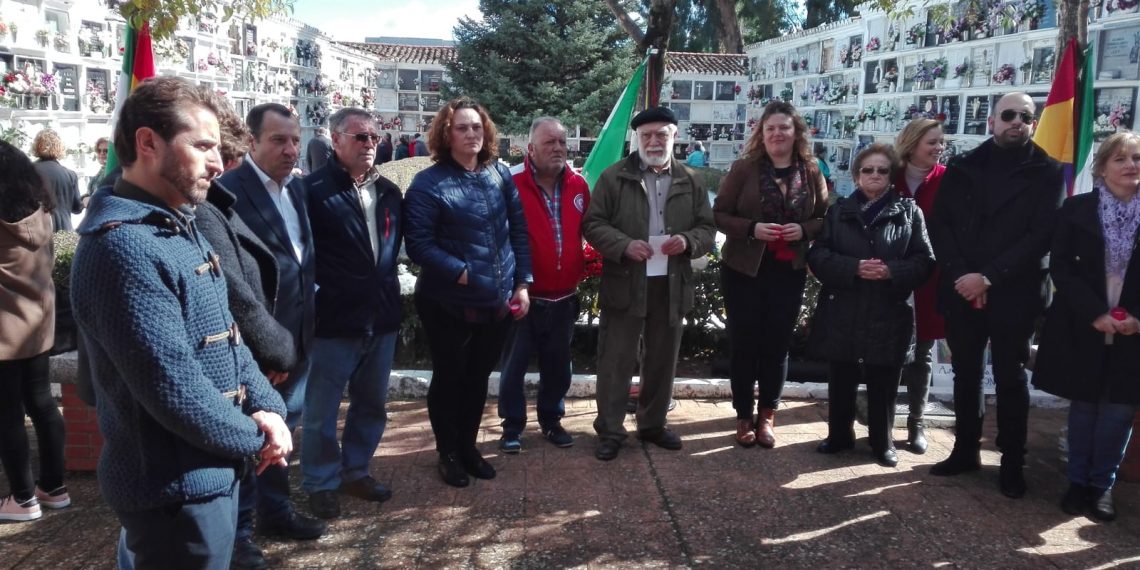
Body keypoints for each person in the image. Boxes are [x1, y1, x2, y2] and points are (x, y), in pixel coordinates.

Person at [70, 76, 290, 567]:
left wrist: (268, 406)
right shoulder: (122, 246)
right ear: (148, 142)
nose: (218, 163)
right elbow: (174, 389)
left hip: (208, 470)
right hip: (171, 490)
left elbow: (229, 341)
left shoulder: (175, 222)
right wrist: (259, 437)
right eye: (203, 146)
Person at [927, 92, 1064, 498]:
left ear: (1034, 124)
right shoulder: (963, 166)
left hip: (1014, 291)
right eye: (1008, 114)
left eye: (1025, 116)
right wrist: (963, 276)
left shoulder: (1049, 171)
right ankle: (965, 450)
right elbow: (942, 225)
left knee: (1009, 377)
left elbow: (1041, 235)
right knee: (966, 374)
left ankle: (1011, 462)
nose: (1016, 121)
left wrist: (988, 277)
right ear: (991, 121)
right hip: (961, 286)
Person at [211, 103, 326, 566]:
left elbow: (300, 262)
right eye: (278, 140)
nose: (290, 149)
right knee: (249, 438)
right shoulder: (228, 194)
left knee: (283, 432)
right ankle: (237, 535)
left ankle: (275, 511)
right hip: (257, 347)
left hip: (298, 337)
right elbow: (236, 285)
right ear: (252, 142)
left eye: (295, 139)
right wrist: (266, 348)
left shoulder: (296, 190)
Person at [404, 97, 532, 486]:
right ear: (447, 133)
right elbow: (419, 244)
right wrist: (460, 272)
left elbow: (518, 231)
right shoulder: (429, 183)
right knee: (450, 378)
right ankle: (448, 453)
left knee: (477, 378)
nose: (472, 133)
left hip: (496, 301)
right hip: (448, 302)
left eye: (477, 126)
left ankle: (469, 447)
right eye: (462, 127)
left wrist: (523, 283)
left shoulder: (498, 173)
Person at [583, 106, 716, 461]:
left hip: (671, 283)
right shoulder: (614, 178)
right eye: (646, 136)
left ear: (675, 136)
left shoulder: (691, 179)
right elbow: (593, 225)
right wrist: (624, 245)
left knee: (662, 358)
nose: (654, 141)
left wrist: (687, 241)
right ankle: (610, 430)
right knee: (616, 359)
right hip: (626, 280)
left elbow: (707, 228)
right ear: (637, 139)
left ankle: (653, 424)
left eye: (661, 134)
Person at [1033, 132, 1140, 522]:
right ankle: (1077, 482)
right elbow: (1061, 266)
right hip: (1084, 323)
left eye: (1137, 158)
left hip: (1133, 331)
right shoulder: (1078, 209)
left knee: (1118, 412)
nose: (1131, 165)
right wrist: (1095, 312)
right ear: (1102, 167)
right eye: (1121, 159)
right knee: (1084, 408)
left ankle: (1102, 487)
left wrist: (1136, 319)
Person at [807, 143, 935, 467]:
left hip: (889, 307)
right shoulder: (838, 212)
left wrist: (892, 271)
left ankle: (883, 442)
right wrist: (854, 267)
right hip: (844, 306)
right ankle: (839, 435)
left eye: (882, 170)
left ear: (891, 176)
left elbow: (925, 261)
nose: (875, 175)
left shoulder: (910, 212)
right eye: (868, 170)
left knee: (885, 380)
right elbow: (819, 255)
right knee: (841, 376)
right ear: (857, 175)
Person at [302, 108, 401, 518]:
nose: (369, 145)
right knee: (321, 409)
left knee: (371, 403)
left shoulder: (390, 192)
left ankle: (355, 470)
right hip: (334, 320)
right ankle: (320, 481)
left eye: (374, 138)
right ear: (335, 140)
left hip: (381, 317)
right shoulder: (311, 191)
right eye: (359, 137)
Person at [712, 101, 828, 449]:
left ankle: (768, 416)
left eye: (784, 128)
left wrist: (804, 230)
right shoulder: (744, 169)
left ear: (796, 133)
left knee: (777, 346)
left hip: (787, 269)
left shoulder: (810, 170)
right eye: (771, 128)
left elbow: (824, 217)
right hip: (744, 269)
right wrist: (751, 228)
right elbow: (719, 214)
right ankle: (743, 415)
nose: (778, 134)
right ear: (761, 134)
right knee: (744, 343)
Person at [497, 117, 590, 454]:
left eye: (562, 143)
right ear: (531, 149)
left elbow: (590, 231)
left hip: (564, 296)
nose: (558, 149)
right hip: (524, 297)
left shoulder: (579, 185)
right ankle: (511, 426)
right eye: (549, 143)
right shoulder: (511, 183)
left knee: (558, 367)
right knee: (514, 367)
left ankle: (552, 421)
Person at [0, 140, 67, 522]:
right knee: (42, 404)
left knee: (7, 415)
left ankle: (23, 499)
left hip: (4, 333)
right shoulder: (39, 214)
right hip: (37, 327)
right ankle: (54, 489)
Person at [893, 118, 948, 455]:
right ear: (912, 144)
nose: (939, 148)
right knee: (886, 352)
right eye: (932, 142)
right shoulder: (889, 177)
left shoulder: (948, 180)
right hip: (892, 277)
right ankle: (883, 421)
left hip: (931, 277)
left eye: (941, 142)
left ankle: (916, 423)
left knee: (922, 355)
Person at [31, 129, 82, 232]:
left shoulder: (27, 172)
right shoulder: (70, 175)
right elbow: (77, 208)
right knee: (65, 249)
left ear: (36, 146)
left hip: (38, 233)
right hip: (64, 233)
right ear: (59, 147)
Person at [85, 136, 111, 202]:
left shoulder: (112, 172)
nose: (102, 153)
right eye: (99, 151)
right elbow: (89, 193)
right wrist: (84, 198)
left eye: (106, 151)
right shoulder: (101, 171)